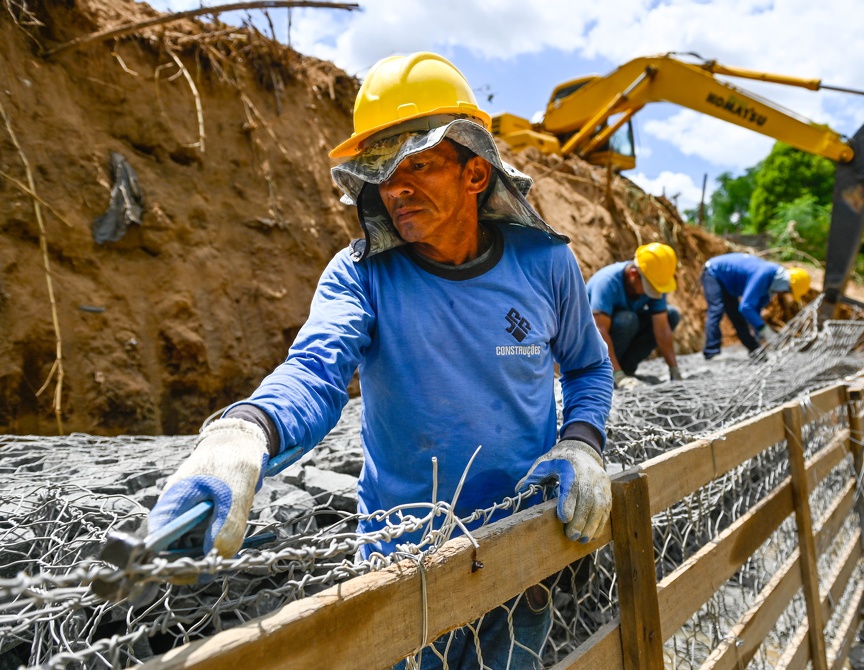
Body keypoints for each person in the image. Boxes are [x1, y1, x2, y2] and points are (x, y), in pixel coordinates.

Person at [147, 52, 614, 668]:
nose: (395, 187)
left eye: (417, 164)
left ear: (476, 174)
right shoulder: (360, 275)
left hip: (517, 547)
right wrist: (242, 434)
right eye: (382, 170)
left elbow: (587, 366)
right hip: (402, 563)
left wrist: (582, 444)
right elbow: (317, 372)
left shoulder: (545, 264)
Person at [585, 243, 682, 388]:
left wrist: (674, 369)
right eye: (650, 289)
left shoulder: (654, 279)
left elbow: (661, 327)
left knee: (671, 315)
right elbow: (599, 331)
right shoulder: (606, 282)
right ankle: (606, 372)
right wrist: (618, 376)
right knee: (627, 320)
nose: (652, 293)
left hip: (620, 341)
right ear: (633, 275)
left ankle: (626, 368)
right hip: (590, 348)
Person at [701, 252, 811, 359]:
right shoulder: (764, 273)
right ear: (785, 282)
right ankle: (711, 351)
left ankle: (755, 351)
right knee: (716, 309)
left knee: (737, 317)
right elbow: (746, 307)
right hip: (714, 273)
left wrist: (758, 332)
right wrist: (764, 330)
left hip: (728, 285)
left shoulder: (770, 286)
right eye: (788, 291)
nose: (784, 294)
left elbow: (754, 311)